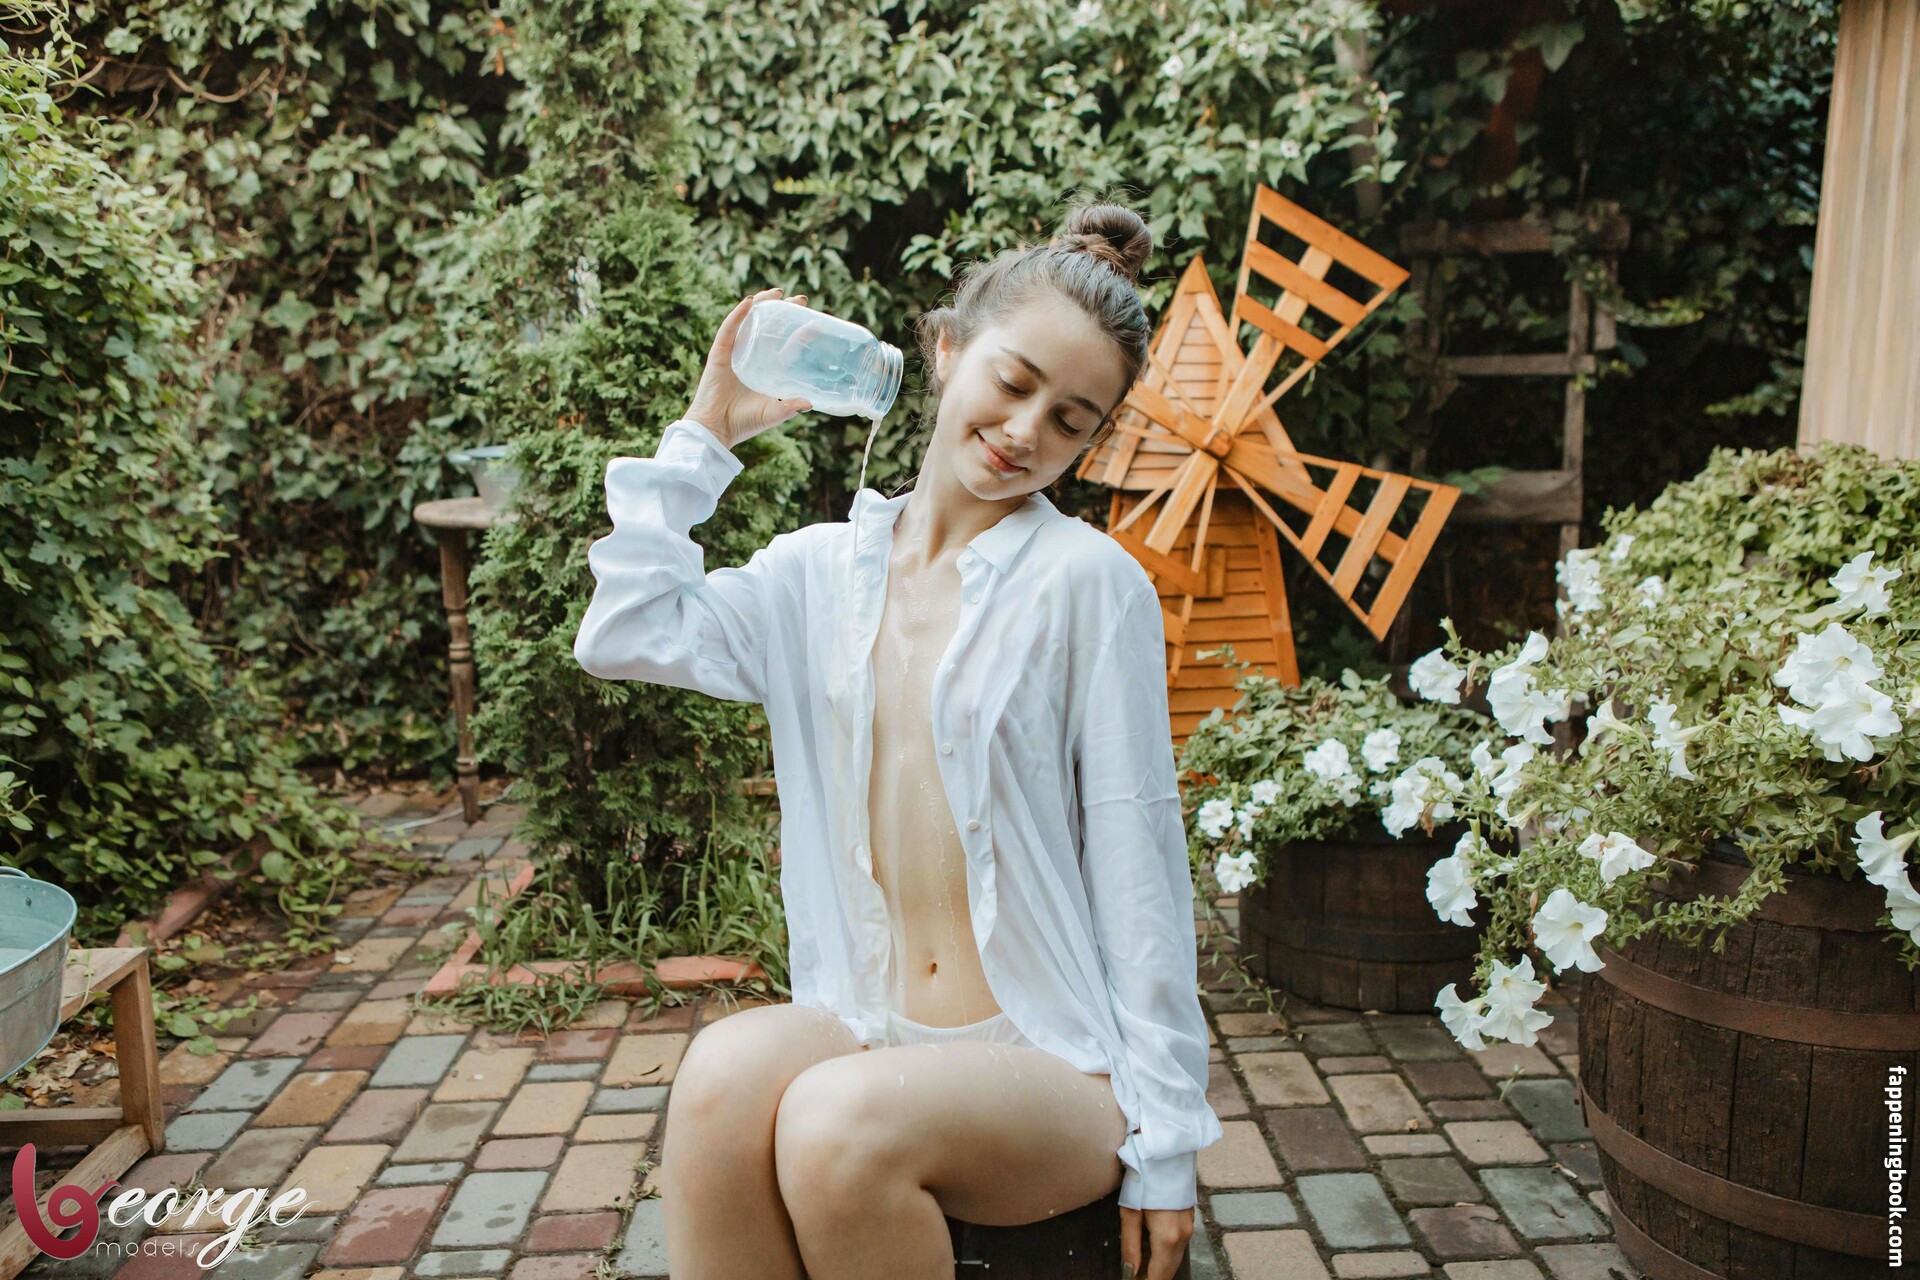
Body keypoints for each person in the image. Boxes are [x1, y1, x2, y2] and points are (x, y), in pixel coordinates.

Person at [573, 197, 1222, 1280]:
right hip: (864, 1019)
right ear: (947, 348)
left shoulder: (1087, 585)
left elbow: (1139, 867)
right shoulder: (816, 575)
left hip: (1047, 1062)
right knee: (720, 1077)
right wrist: (706, 434)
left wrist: (1168, 1151)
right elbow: (624, 631)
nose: (1026, 431)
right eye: (1013, 381)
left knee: (835, 1125)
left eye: (1070, 420)